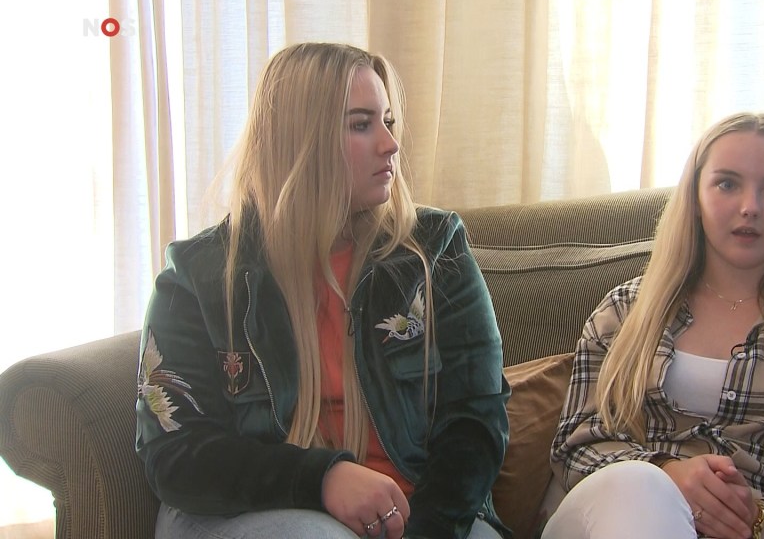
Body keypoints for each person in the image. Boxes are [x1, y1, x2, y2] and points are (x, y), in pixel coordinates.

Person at [135, 42, 511, 539]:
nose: (390, 144)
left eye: (388, 121)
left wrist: (430, 529)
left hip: (420, 514)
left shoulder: (435, 249)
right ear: (301, 140)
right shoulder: (196, 277)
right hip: (259, 512)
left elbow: (475, 420)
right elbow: (175, 453)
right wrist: (323, 479)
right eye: (361, 124)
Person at [544, 112, 764, 539]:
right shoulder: (625, 311)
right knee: (639, 485)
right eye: (728, 184)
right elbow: (575, 446)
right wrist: (667, 474)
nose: (750, 207)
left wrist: (759, 519)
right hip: (610, 511)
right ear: (695, 197)